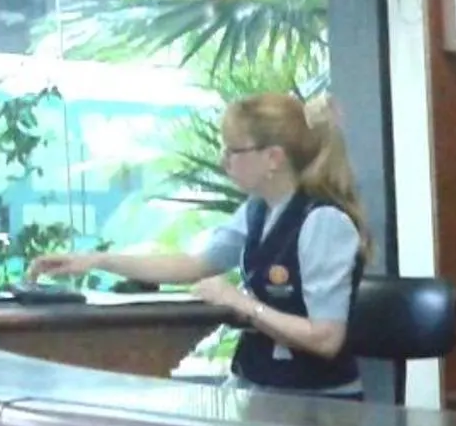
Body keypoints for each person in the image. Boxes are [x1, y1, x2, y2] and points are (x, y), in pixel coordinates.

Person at [33, 92, 369, 395]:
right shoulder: (258, 210)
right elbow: (194, 264)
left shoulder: (323, 222)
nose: (225, 162)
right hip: (259, 387)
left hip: (316, 403)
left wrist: (241, 304)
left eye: (234, 151)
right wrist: (95, 261)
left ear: (273, 158)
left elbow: (326, 338)